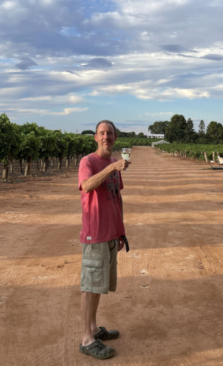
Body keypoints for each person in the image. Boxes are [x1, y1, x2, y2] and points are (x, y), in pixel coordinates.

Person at [78, 119, 130, 360]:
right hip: (95, 234)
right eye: (102, 133)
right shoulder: (88, 162)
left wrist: (121, 231)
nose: (106, 137)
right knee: (90, 287)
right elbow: (87, 186)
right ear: (95, 138)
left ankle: (93, 329)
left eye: (110, 133)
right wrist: (111, 168)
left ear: (115, 138)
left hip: (110, 234)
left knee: (98, 285)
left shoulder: (112, 162)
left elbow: (116, 197)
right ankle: (86, 340)